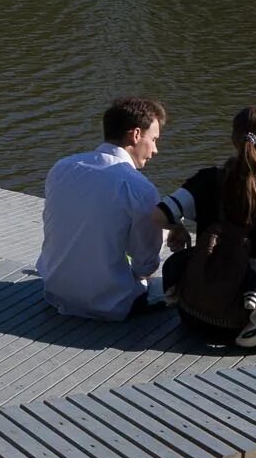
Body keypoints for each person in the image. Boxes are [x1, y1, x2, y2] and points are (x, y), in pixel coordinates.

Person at [152, 106, 256, 349]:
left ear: (233, 139)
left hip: (194, 314)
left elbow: (157, 216)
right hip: (241, 319)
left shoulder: (207, 179)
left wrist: (176, 226)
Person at [35, 96, 169, 321]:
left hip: (55, 292)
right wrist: (165, 231)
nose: (155, 150)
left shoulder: (62, 168)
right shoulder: (138, 187)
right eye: (154, 139)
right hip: (112, 304)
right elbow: (145, 265)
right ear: (136, 135)